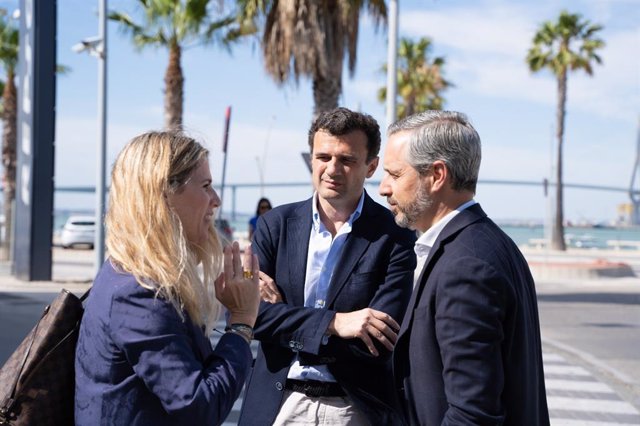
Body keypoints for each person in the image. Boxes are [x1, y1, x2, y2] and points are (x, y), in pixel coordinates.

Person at [238, 107, 416, 425]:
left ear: (371, 166)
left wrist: (286, 318)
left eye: (346, 160)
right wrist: (336, 323)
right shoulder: (273, 226)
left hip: (354, 408)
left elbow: (376, 340)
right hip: (280, 406)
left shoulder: (394, 236)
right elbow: (251, 317)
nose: (332, 169)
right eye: (323, 157)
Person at [75, 130, 261, 425]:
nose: (216, 200)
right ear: (164, 195)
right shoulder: (139, 292)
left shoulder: (127, 273)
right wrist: (241, 322)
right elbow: (200, 406)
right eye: (206, 186)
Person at [379, 111, 550, 425]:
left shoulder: (466, 265)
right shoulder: (489, 244)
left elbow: (473, 413)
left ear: (437, 175)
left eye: (394, 174)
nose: (383, 188)